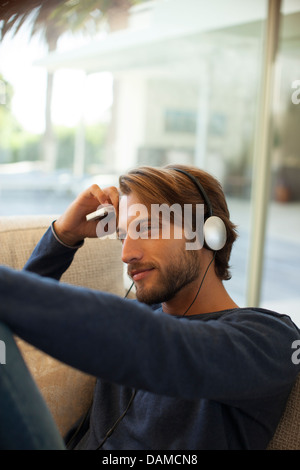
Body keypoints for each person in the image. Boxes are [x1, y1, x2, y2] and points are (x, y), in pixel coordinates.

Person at [0, 164, 299, 450]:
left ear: (208, 233)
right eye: (122, 237)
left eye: (145, 229)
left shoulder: (270, 338)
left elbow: (161, 345)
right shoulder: (138, 318)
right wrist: (63, 236)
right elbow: (19, 324)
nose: (126, 253)